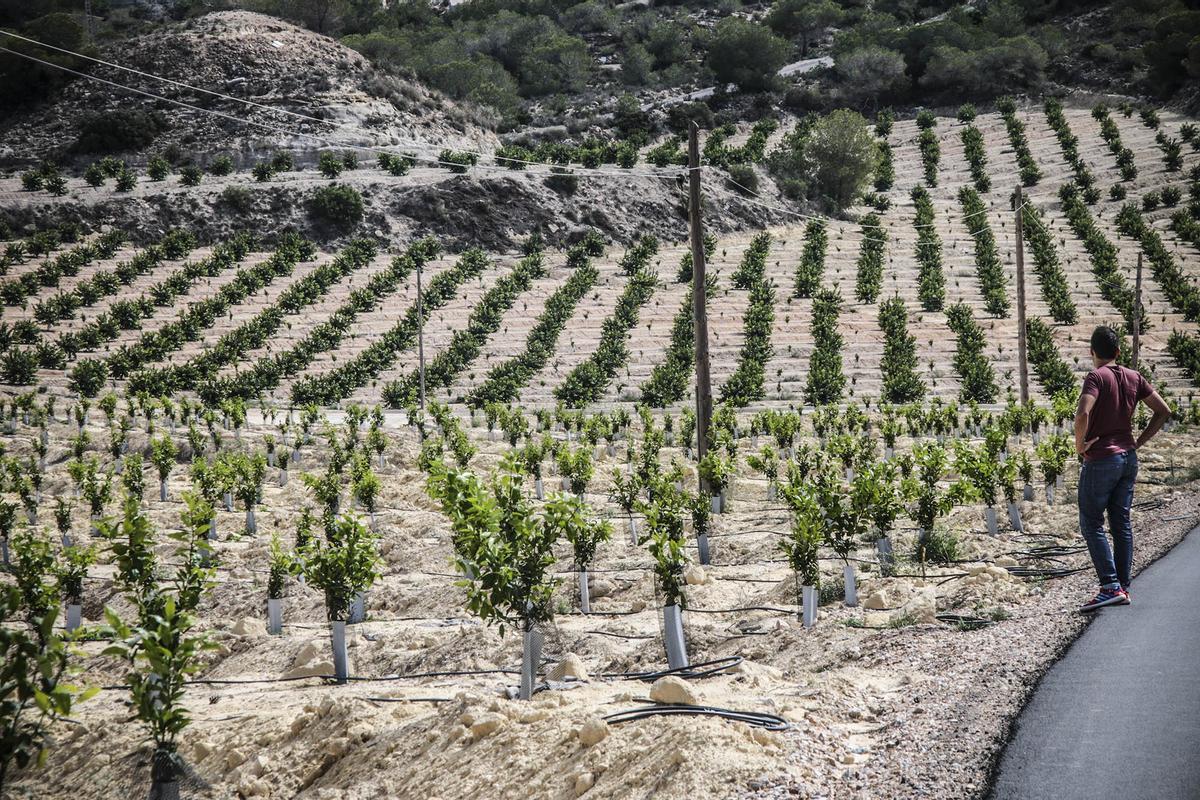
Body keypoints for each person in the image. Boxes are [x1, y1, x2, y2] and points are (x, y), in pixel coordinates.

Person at [1073, 325, 1171, 612]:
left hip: (1102, 458)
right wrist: (1139, 441)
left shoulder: (1095, 377)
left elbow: (1082, 413)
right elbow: (1163, 410)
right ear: (1117, 352)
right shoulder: (1134, 377)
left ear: (1092, 352)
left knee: (1091, 522)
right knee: (1121, 522)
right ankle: (1123, 587)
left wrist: (1080, 445)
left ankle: (1109, 586)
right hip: (1128, 457)